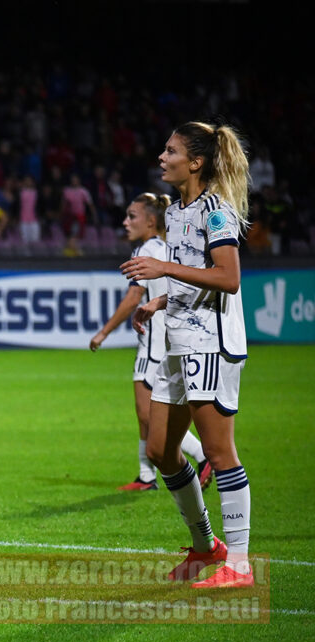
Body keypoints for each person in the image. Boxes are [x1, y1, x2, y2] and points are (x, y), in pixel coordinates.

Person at [121, 121, 253, 588]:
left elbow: (228, 278)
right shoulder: (177, 211)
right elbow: (191, 276)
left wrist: (162, 268)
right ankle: (205, 546)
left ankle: (238, 563)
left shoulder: (215, 212)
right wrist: (159, 300)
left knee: (219, 452)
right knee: (160, 450)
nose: (161, 156)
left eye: (171, 150)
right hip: (178, 343)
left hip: (211, 344)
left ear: (195, 162)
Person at [90, 193, 212, 491]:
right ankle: (146, 476)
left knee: (148, 413)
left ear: (151, 220)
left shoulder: (146, 250)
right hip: (165, 339)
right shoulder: (166, 248)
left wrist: (103, 332)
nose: (125, 221)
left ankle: (202, 455)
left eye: (132, 216)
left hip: (153, 343)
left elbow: (134, 297)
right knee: (145, 414)